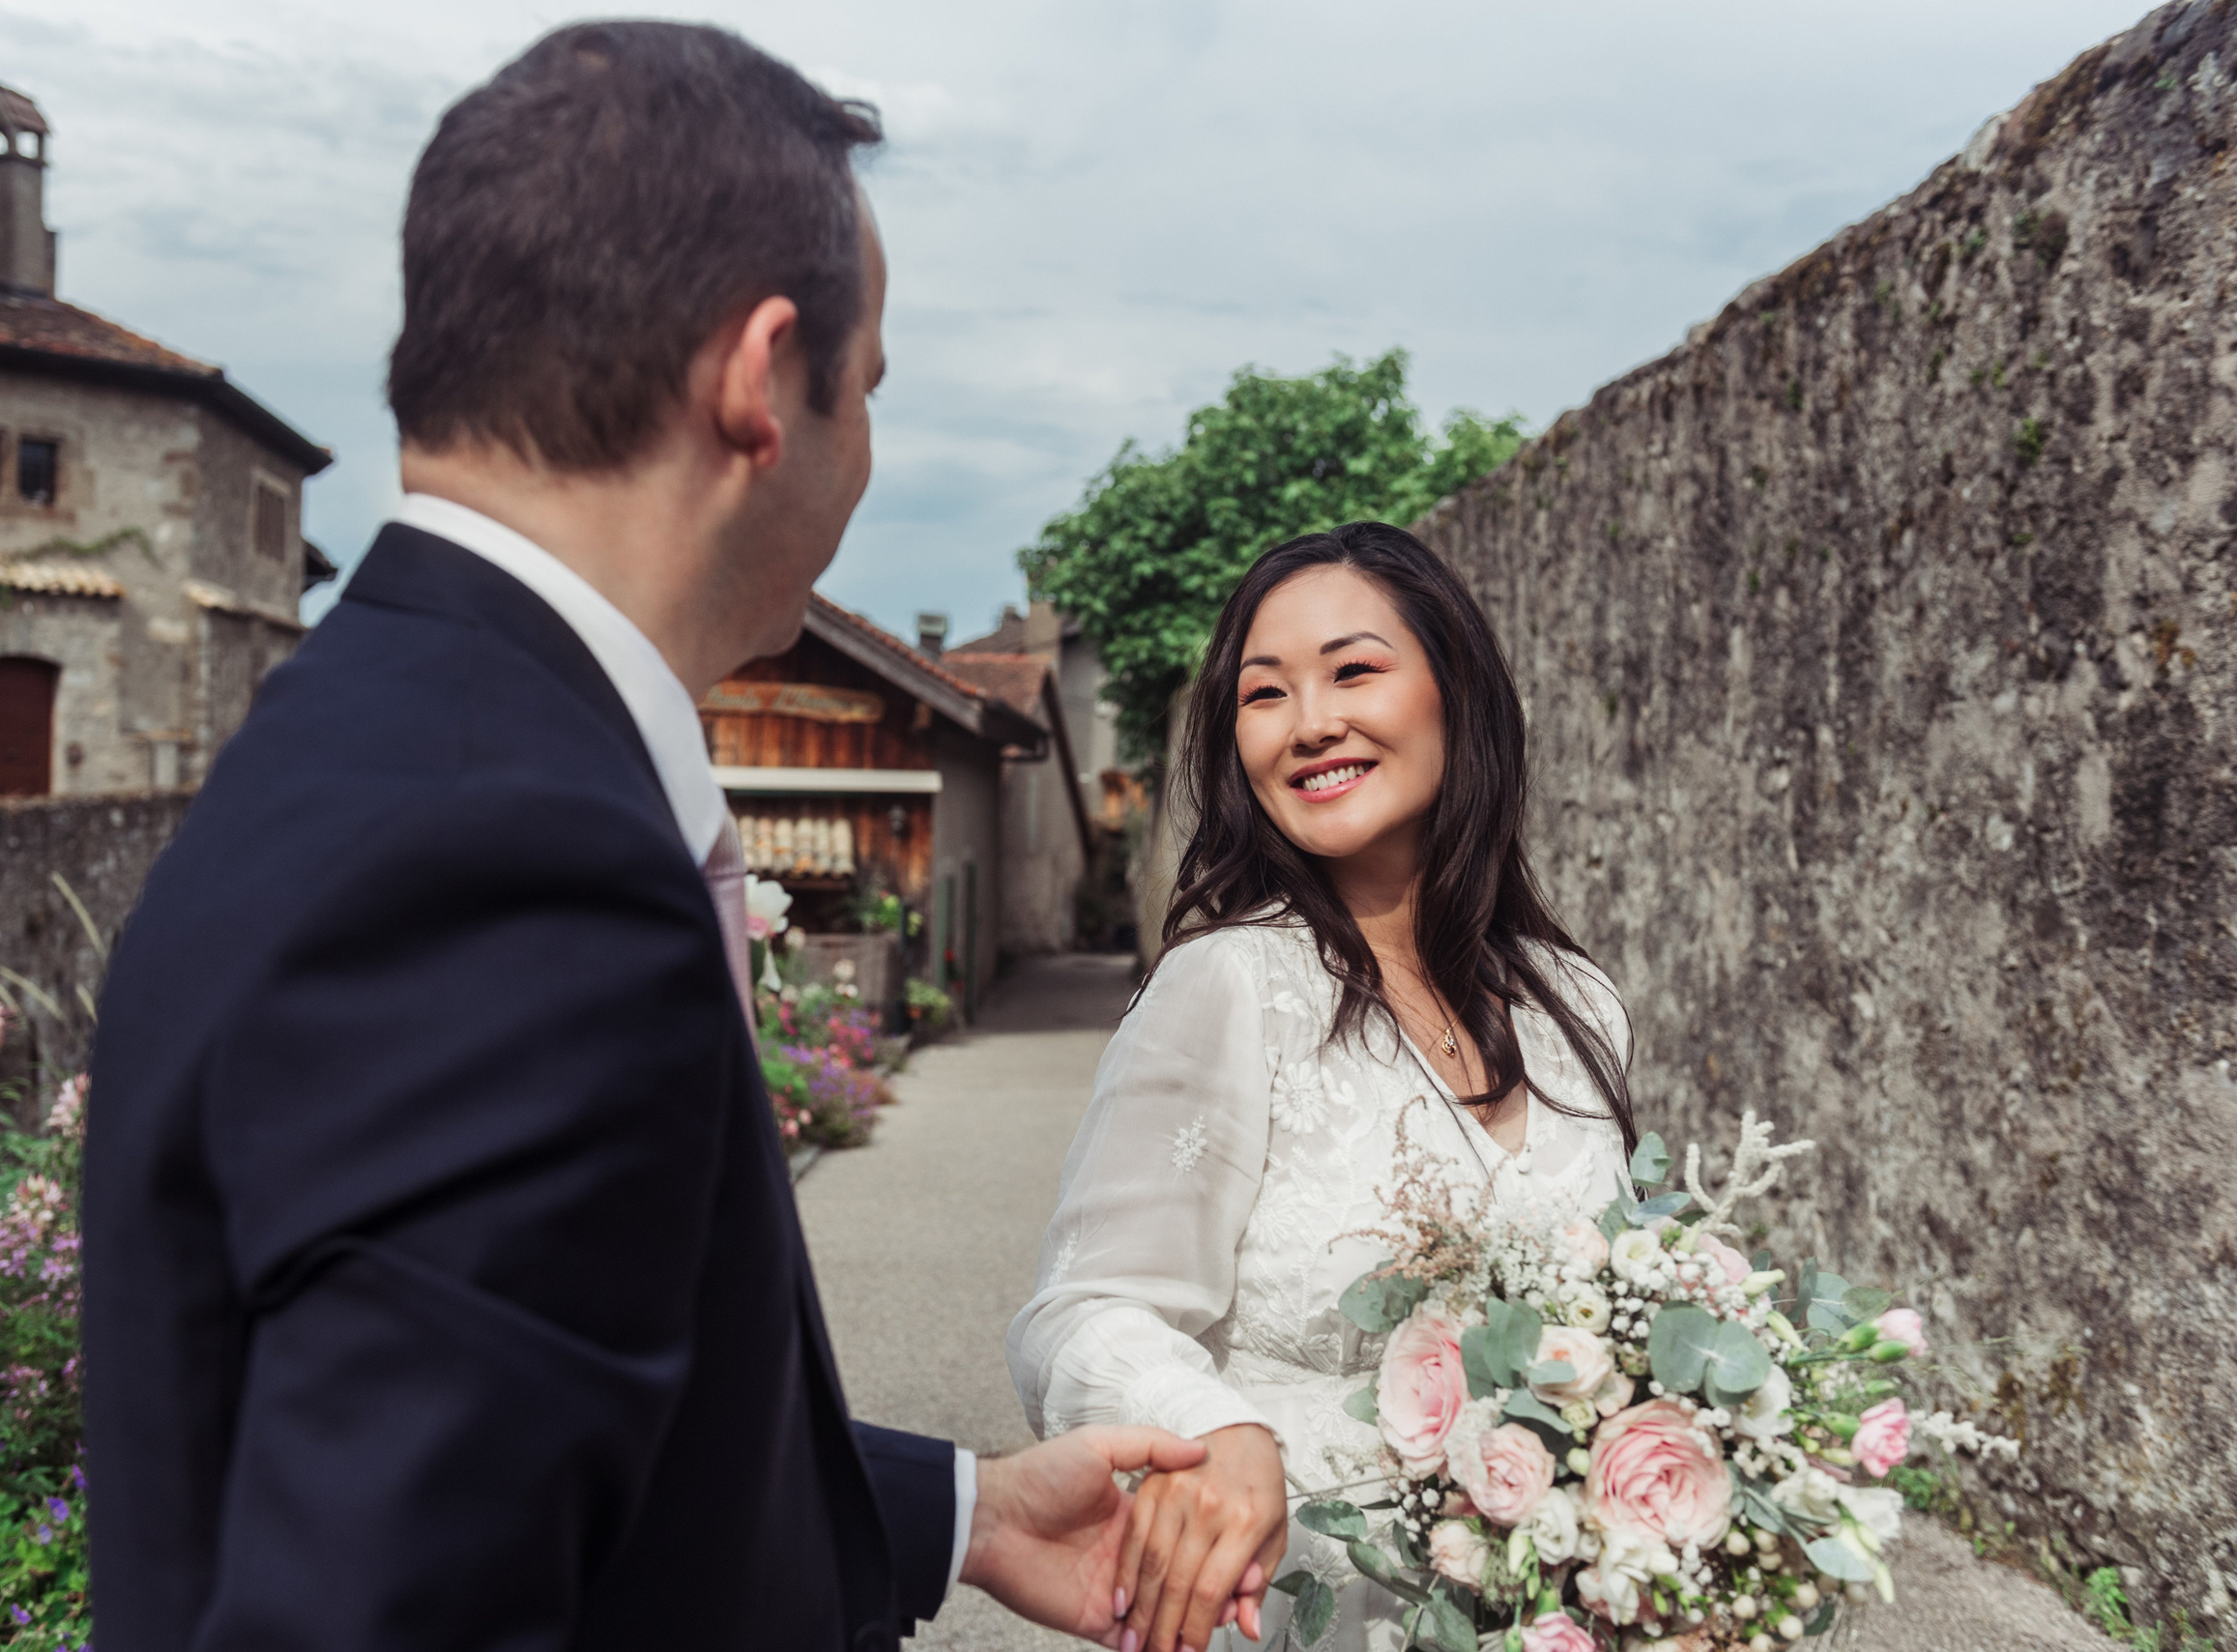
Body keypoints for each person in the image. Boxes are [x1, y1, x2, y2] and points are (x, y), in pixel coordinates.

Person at [82, 22, 1217, 1651]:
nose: (866, 449)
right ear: (761, 380)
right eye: (866, 388)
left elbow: (526, 1433)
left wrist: (957, 1509)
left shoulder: (367, 737)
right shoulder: (508, 867)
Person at [1007, 523, 1641, 1652]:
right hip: (1301, 1612)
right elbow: (1078, 1313)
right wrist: (1216, 1426)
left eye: (1352, 671)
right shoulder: (1230, 984)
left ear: (1457, 693)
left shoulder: (1576, 1005)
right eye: (1265, 693)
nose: (1308, 724)